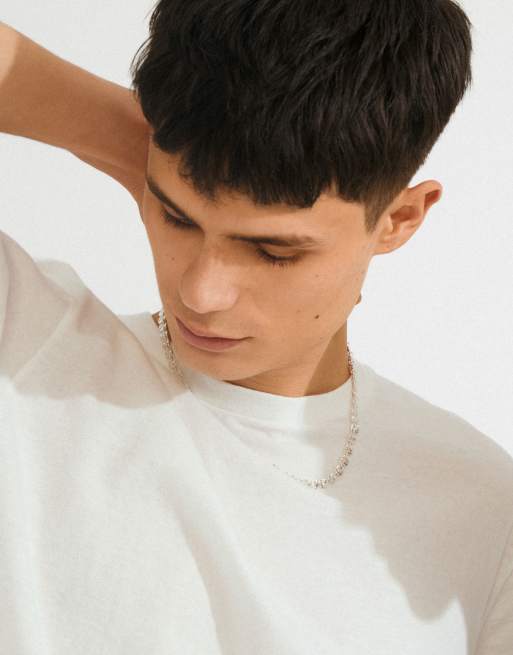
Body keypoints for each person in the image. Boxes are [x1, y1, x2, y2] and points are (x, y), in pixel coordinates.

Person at [0, 2, 511, 653]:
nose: (200, 292)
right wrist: (127, 133)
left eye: (273, 252)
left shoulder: (484, 511)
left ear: (399, 219)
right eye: (176, 216)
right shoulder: (24, 342)